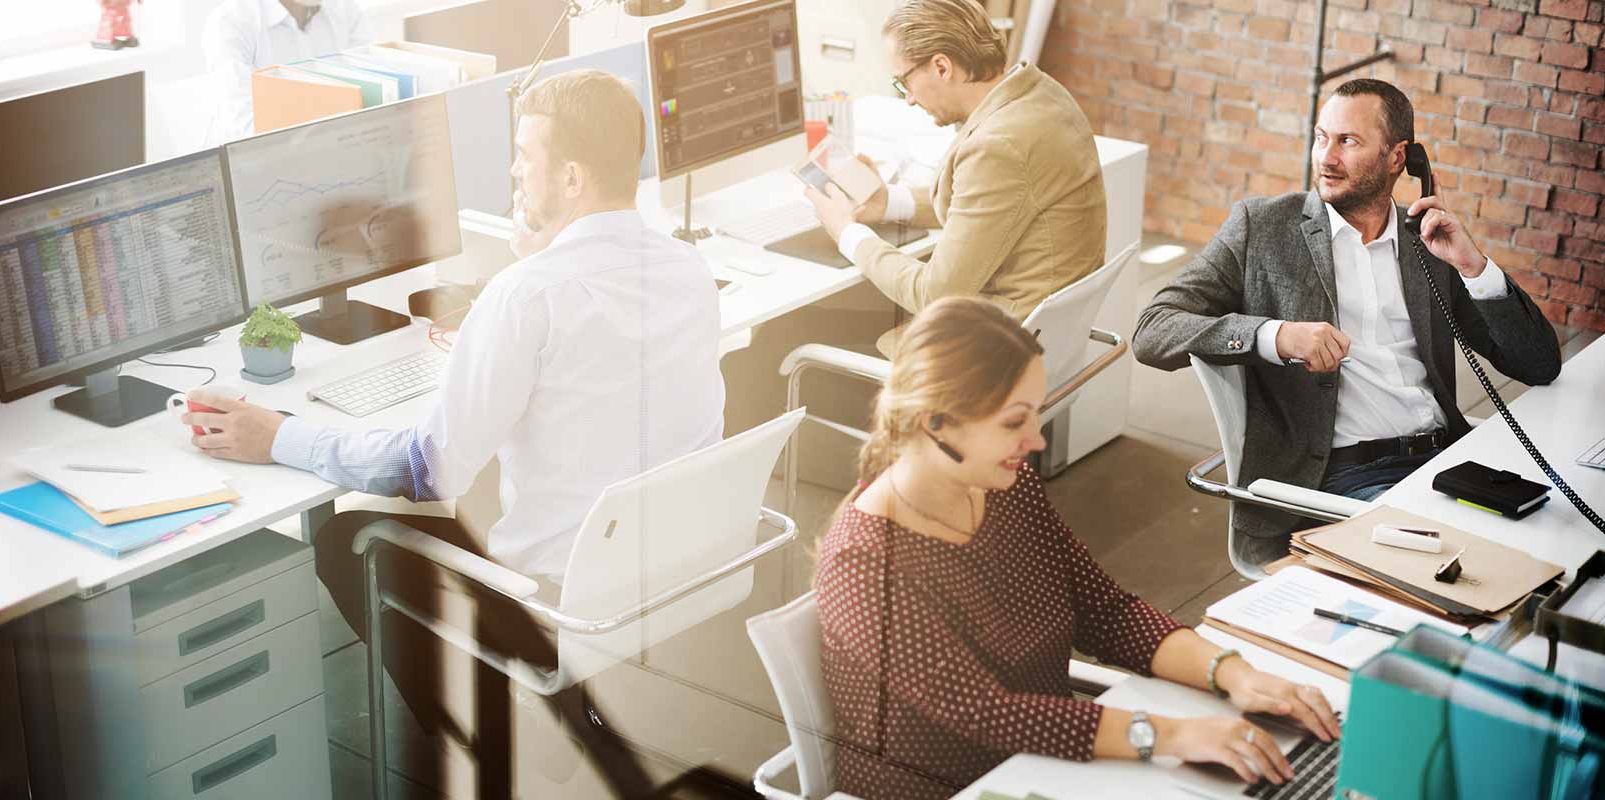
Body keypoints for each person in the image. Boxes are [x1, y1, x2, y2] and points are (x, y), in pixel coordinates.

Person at [177, 70, 725, 770]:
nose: (513, 172)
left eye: (526, 157)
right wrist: (535, 269)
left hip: (558, 599)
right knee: (488, 483)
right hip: (664, 570)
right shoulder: (686, 267)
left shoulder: (528, 296)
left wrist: (277, 434)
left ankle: (484, 749)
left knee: (350, 534)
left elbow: (426, 469)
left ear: (573, 179)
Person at [815, 297, 1341, 800]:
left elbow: (1105, 612)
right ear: (935, 424)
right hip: (949, 786)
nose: (1036, 440)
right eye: (1012, 421)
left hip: (1050, 761)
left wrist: (1234, 674)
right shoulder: (862, 563)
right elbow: (987, 714)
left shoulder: (1005, 486)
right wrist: (1173, 736)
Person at [1132, 78, 1561, 567]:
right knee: (1477, 573)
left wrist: (1474, 267)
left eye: (1348, 142)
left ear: (1398, 158)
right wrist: (1275, 336)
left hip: (1447, 463)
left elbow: (1539, 363)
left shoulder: (1428, 243)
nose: (1326, 158)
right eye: (1321, 137)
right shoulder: (1264, 228)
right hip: (1346, 478)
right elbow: (1153, 328)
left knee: (1557, 551)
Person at [803, 0, 1106, 357]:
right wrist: (888, 202)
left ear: (942, 67)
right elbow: (989, 205)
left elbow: (935, 293)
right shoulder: (1041, 94)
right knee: (828, 315)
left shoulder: (997, 146)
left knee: (779, 339)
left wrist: (847, 233)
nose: (910, 100)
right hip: (1036, 330)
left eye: (904, 83)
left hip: (987, 356)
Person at [202, 0, 372, 144]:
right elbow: (248, 128)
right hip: (257, 166)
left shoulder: (346, 11)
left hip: (334, 154)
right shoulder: (230, 23)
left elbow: (371, 100)